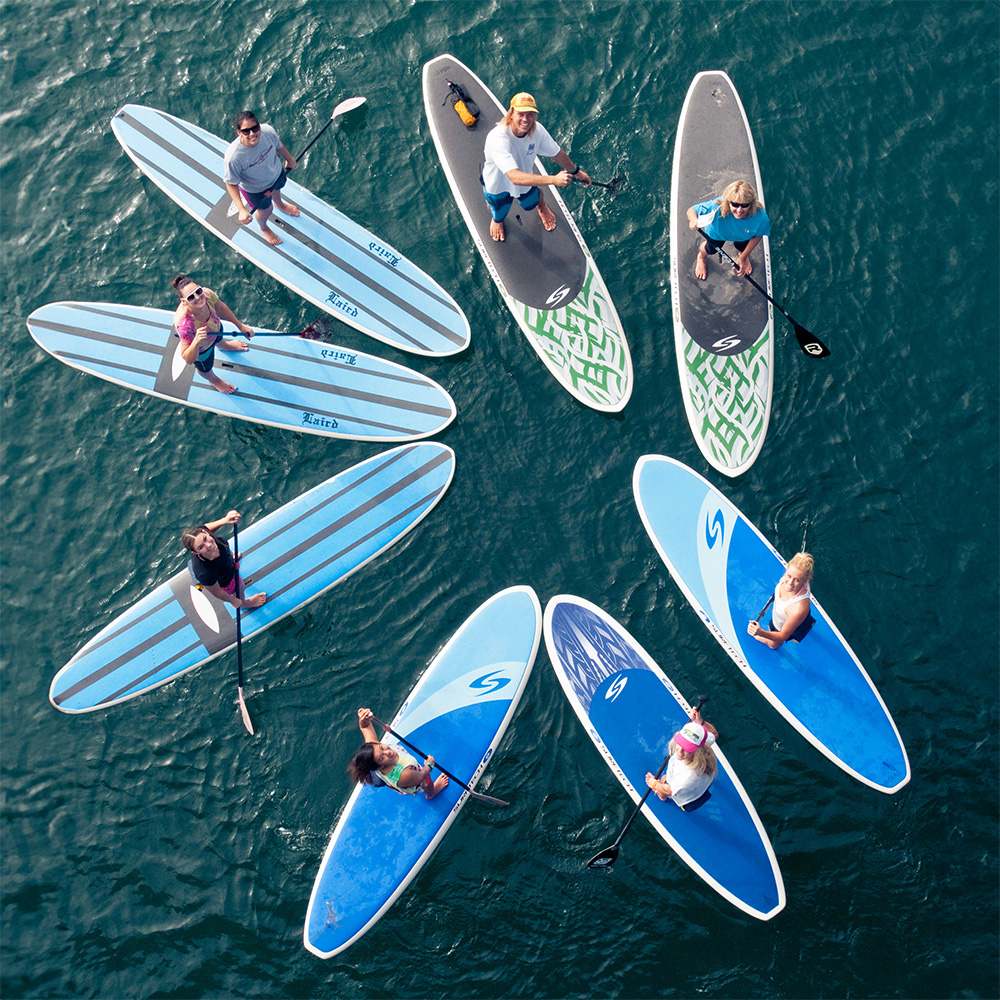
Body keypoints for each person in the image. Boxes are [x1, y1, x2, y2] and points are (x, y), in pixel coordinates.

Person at [481, 92, 591, 243]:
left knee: (532, 201)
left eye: (530, 114)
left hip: (525, 183)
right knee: (499, 211)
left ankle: (542, 207)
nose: (526, 119)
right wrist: (553, 179)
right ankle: (497, 221)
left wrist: (576, 172)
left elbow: (557, 153)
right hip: (497, 185)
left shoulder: (537, 130)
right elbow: (514, 177)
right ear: (511, 113)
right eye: (521, 113)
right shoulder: (498, 138)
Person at [223, 110, 299, 247]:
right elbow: (231, 183)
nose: (252, 133)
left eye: (255, 128)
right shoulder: (233, 157)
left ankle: (280, 204)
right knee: (266, 210)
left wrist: (290, 159)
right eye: (246, 131)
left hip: (276, 174)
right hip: (256, 190)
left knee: (277, 190)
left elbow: (278, 145)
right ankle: (263, 228)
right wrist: (241, 209)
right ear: (239, 132)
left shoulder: (268, 131)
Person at [171, 274, 254, 395]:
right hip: (202, 349)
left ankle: (224, 345)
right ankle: (214, 380)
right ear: (184, 302)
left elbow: (221, 308)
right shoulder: (185, 325)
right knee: (205, 368)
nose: (198, 297)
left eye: (198, 291)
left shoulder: (207, 294)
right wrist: (196, 341)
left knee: (219, 339)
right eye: (191, 297)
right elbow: (187, 358)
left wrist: (240, 326)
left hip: (216, 329)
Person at [346, 707, 449, 799]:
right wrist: (429, 765)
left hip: (406, 774)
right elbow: (421, 776)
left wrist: (363, 720)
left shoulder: (374, 750)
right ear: (379, 767)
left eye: (382, 747)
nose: (387, 751)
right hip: (414, 779)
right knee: (427, 783)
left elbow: (365, 727)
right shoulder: (404, 775)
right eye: (382, 758)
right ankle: (431, 793)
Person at [180, 510, 267, 611]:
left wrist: (225, 520)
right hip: (223, 580)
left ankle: (229, 557)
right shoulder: (205, 573)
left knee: (219, 553)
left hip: (223, 560)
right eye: (201, 547)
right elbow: (217, 592)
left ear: (205, 533)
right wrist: (234, 601)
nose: (208, 545)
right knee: (240, 586)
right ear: (195, 552)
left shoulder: (202, 534)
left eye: (205, 538)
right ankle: (245, 604)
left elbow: (205, 527)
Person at [686, 179, 770, 280]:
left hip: (742, 236)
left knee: (742, 248)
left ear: (751, 204)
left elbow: (758, 236)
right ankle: (701, 257)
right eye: (735, 204)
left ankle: (743, 256)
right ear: (728, 202)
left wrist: (742, 257)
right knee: (710, 249)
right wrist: (694, 221)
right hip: (718, 234)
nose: (739, 210)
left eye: (744, 205)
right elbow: (691, 210)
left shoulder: (761, 216)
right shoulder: (715, 206)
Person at [645, 705, 719, 810]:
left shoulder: (686, 778)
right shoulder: (704, 745)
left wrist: (654, 784)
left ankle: (661, 796)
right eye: (681, 742)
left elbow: (669, 789)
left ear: (697, 750)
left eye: (687, 747)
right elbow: (714, 734)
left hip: (687, 800)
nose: (679, 750)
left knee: (664, 779)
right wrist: (700, 722)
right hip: (703, 787)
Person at [747, 552, 814, 649]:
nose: (790, 583)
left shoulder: (798, 609)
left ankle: (772, 644)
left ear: (805, 580)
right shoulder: (787, 578)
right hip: (786, 617)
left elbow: (783, 636)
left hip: (783, 625)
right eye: (789, 576)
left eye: (797, 580)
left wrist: (760, 632)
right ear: (786, 571)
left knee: (775, 644)